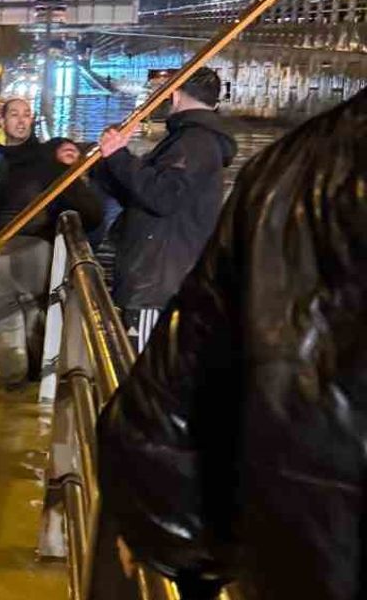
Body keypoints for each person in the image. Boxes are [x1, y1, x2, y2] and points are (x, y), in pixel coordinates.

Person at [97, 89, 367, 600]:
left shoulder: (299, 167)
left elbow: (172, 401)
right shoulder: (293, 166)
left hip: (312, 559)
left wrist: (173, 545)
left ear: (176, 94)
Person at [0, 98, 102, 389]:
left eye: (26, 114)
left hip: (17, 245)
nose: (21, 120)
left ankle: (19, 388)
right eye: (15, 114)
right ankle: (29, 388)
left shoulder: (11, 157)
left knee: (17, 317)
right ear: (2, 120)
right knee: (21, 317)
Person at [95, 67, 237, 351]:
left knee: (139, 362)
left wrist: (120, 157)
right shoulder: (192, 141)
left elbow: (162, 196)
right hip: (160, 280)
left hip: (156, 285)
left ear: (175, 96)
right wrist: (111, 161)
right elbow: (142, 192)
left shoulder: (193, 143)